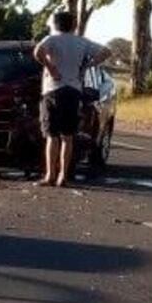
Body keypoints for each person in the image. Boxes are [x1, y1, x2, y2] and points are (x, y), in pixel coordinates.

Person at [33, 11, 112, 187]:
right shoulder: (82, 42)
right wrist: (88, 65)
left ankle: (49, 175)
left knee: (52, 136)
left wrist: (50, 67)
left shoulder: (51, 39)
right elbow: (107, 51)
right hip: (73, 91)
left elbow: (38, 51)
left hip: (52, 90)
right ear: (73, 25)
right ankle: (63, 176)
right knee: (68, 136)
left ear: (55, 24)